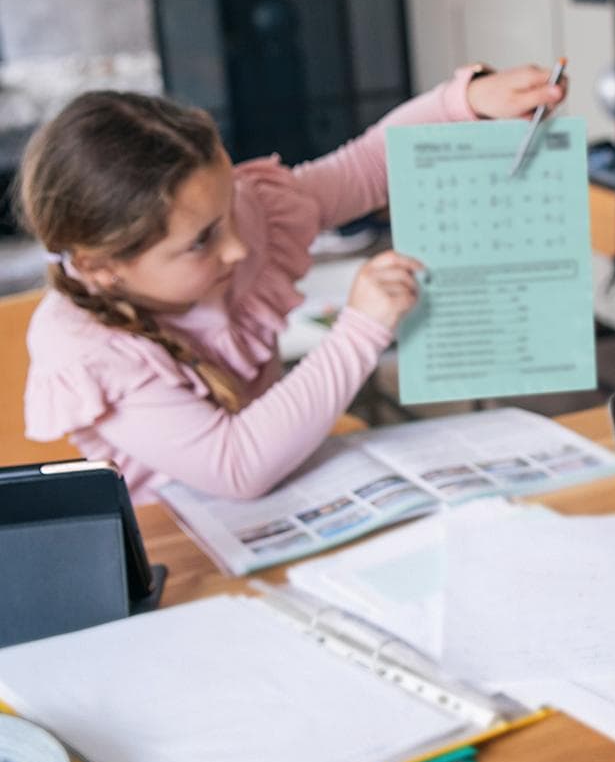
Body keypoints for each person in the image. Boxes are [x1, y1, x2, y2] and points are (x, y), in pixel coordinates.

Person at [19, 63, 567, 502]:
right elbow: (235, 467)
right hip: (181, 560)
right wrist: (359, 331)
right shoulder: (85, 352)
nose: (237, 245)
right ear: (100, 266)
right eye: (202, 241)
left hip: (296, 495)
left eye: (230, 204)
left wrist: (463, 103)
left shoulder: (244, 219)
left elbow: (366, 167)